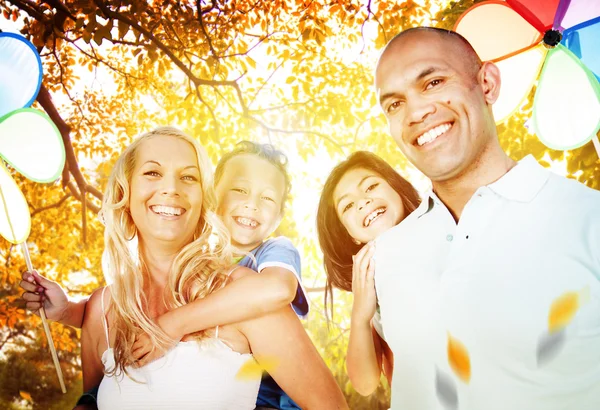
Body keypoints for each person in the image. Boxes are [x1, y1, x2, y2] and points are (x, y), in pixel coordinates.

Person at [23, 127, 348, 409]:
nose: (171, 189)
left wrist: (171, 325)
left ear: (202, 199)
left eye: (188, 177)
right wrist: (66, 312)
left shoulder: (252, 296)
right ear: (126, 192)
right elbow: (93, 397)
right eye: (152, 172)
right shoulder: (101, 309)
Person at [373, 27, 600, 409]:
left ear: (487, 84)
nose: (415, 112)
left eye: (433, 82)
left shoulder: (587, 218)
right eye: (394, 104)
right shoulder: (388, 254)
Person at [316, 151, 420, 396]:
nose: (363, 201)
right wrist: (361, 317)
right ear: (351, 234)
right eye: (348, 205)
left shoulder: (446, 226)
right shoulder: (375, 292)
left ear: (396, 189)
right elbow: (365, 383)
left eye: (371, 186)